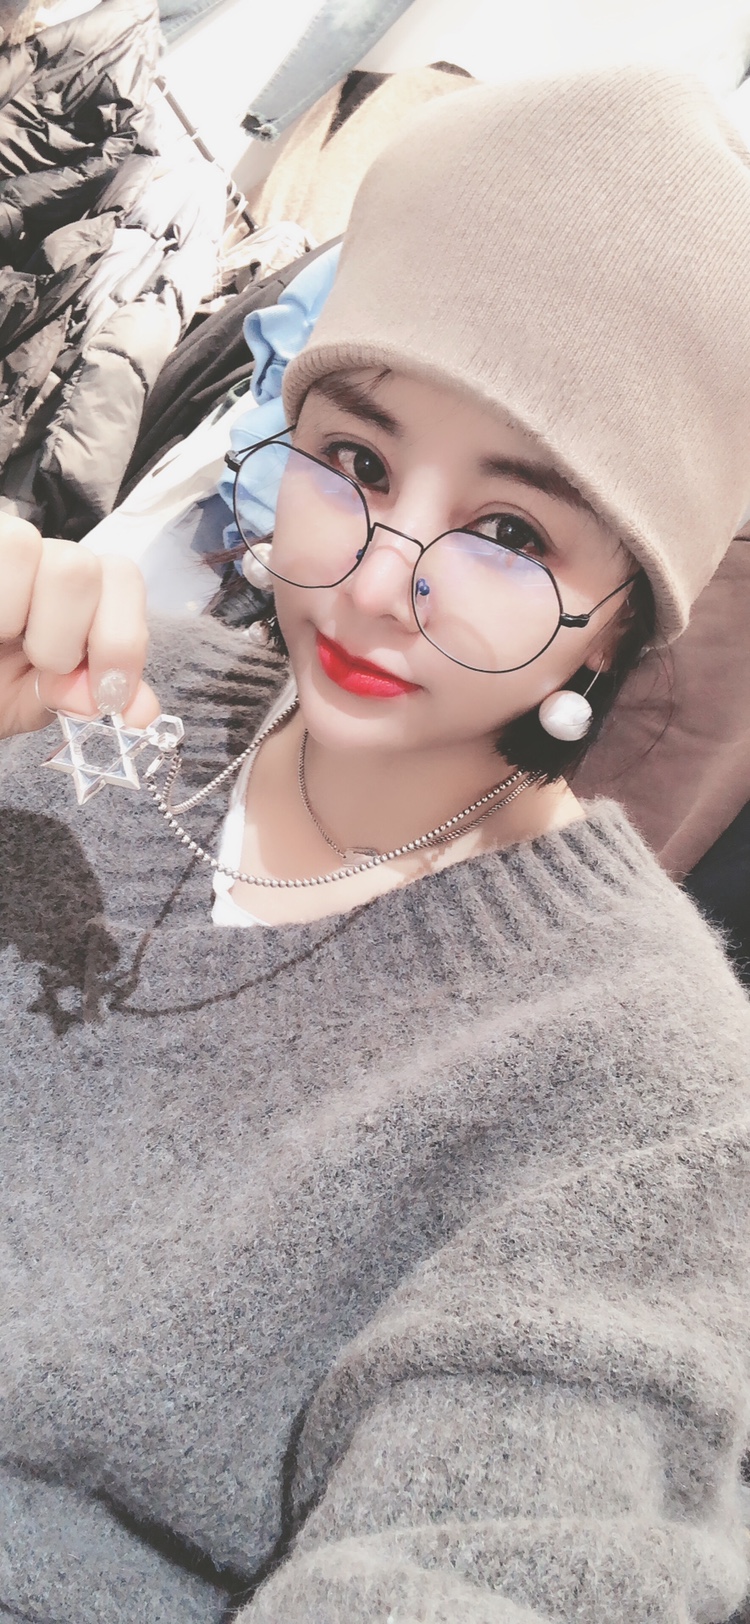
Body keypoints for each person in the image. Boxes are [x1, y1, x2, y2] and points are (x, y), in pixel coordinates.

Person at [1, 67, 750, 1624]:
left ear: (623, 609)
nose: (374, 578)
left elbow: (519, 1554)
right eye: (352, 459)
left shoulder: (644, 1085)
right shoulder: (83, 709)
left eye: (511, 533)